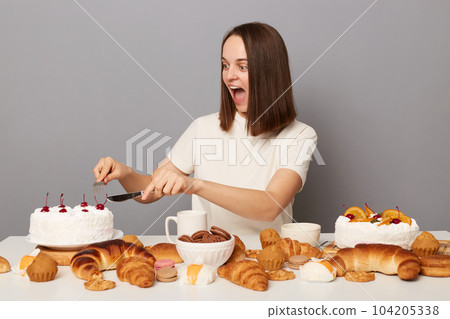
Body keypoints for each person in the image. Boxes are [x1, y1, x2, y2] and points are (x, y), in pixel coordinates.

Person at [93, 22, 317, 235]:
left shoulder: (300, 135)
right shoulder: (203, 127)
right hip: (210, 257)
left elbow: (270, 206)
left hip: (268, 259)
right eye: (225, 65)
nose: (229, 76)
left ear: (269, 73)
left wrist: (196, 185)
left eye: (242, 66)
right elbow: (150, 191)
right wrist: (126, 173)